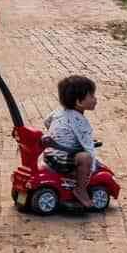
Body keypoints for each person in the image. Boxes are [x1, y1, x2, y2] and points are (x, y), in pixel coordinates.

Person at [43, 75, 99, 209]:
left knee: (80, 154)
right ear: (79, 102)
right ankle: (80, 189)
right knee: (86, 158)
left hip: (49, 156)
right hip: (61, 159)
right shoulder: (80, 122)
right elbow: (89, 147)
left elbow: (46, 122)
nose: (95, 99)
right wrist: (91, 168)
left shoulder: (58, 112)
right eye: (91, 96)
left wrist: (59, 135)